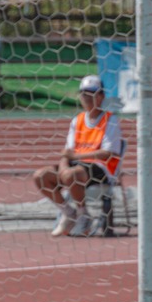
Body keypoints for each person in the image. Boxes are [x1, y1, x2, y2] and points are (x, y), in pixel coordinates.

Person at [32, 74, 123, 237]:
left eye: (91, 93)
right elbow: (67, 152)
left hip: (100, 169)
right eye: (83, 94)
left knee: (72, 174)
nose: (86, 98)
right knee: (41, 175)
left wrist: (76, 158)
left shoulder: (110, 119)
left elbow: (107, 153)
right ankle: (68, 212)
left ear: (101, 96)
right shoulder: (77, 120)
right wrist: (64, 166)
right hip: (77, 166)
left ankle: (83, 215)